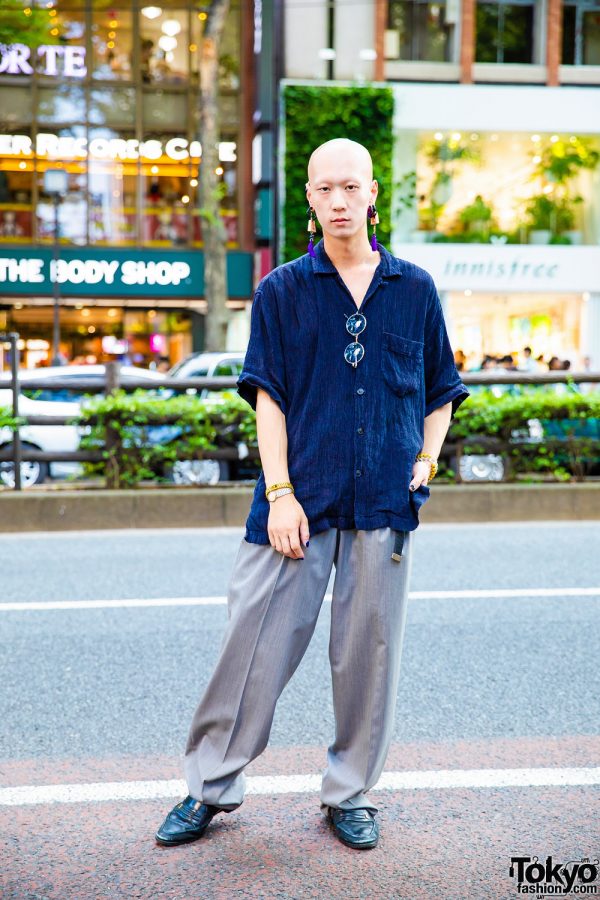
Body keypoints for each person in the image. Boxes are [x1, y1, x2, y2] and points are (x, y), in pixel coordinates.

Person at [155, 138, 470, 851]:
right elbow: (269, 398)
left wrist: (426, 457)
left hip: (384, 501)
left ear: (371, 193)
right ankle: (209, 785)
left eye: (349, 187)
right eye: (323, 188)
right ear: (307, 196)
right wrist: (281, 491)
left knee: (368, 656)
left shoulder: (414, 289)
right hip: (296, 502)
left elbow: (440, 390)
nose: (336, 200)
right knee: (253, 648)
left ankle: (350, 791)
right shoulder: (281, 290)